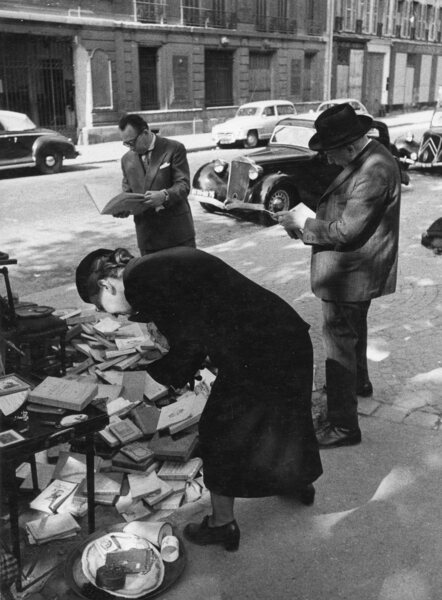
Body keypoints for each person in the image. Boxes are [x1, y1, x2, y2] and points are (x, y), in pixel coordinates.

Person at [76, 246, 322, 550]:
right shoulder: (151, 266)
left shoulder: (142, 280)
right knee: (285, 417)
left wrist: (140, 386)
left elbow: (189, 345)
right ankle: (297, 482)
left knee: (217, 431)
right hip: (287, 336)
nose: (112, 314)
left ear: (106, 285)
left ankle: (221, 525)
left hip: (258, 351)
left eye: (102, 306)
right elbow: (199, 321)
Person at [276, 103, 401, 449]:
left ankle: (343, 425)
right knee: (352, 333)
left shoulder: (374, 169)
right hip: (356, 271)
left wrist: (303, 224)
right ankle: (358, 384)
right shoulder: (370, 157)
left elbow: (346, 231)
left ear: (349, 146)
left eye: (330, 153)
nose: (328, 160)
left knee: (338, 345)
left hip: (349, 274)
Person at [116, 114, 196, 255]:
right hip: (148, 237)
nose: (130, 148)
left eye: (132, 142)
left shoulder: (173, 148)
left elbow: (183, 185)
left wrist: (164, 195)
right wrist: (122, 208)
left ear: (145, 133)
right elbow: (128, 193)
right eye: (126, 144)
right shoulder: (126, 160)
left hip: (177, 233)